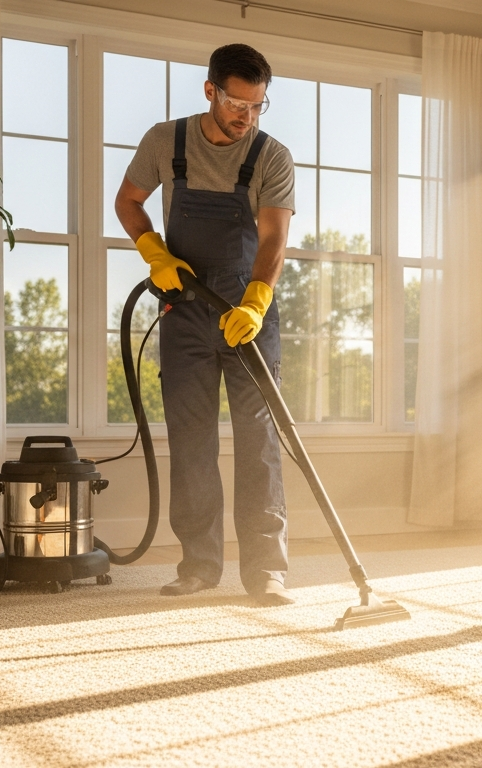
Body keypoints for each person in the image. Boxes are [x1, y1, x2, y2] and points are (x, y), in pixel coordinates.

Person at [114, 43, 295, 606]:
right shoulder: (164, 141)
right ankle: (198, 565)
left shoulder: (271, 155)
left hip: (247, 316)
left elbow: (272, 237)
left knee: (259, 439)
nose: (247, 117)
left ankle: (266, 570)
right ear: (211, 91)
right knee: (192, 440)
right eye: (237, 103)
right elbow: (128, 200)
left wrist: (258, 299)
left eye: (258, 106)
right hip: (185, 308)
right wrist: (153, 250)